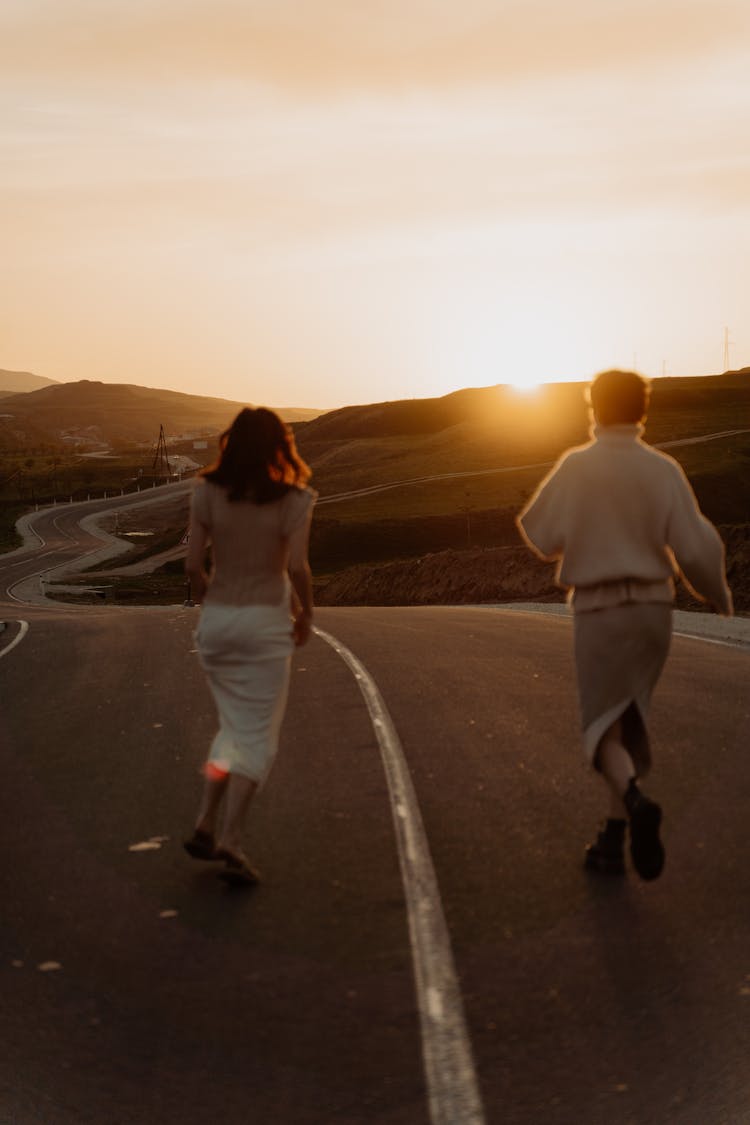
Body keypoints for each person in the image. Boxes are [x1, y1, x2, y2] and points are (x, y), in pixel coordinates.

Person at [517, 370, 732, 881]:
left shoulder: (577, 467)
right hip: (655, 611)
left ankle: (636, 805)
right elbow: (697, 546)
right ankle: (612, 844)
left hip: (601, 611)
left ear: (594, 407)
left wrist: (588, 534)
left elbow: (540, 534)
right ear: (644, 409)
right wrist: (720, 596)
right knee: (628, 717)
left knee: (601, 728)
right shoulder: (663, 470)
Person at [183, 406, 316, 886]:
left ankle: (203, 822)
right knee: (257, 734)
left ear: (230, 443)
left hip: (218, 623)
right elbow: (298, 566)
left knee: (234, 726)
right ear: (280, 446)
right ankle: (232, 840)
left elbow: (193, 566)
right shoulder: (295, 500)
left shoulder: (205, 493)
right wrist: (307, 613)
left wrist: (210, 602)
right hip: (264, 623)